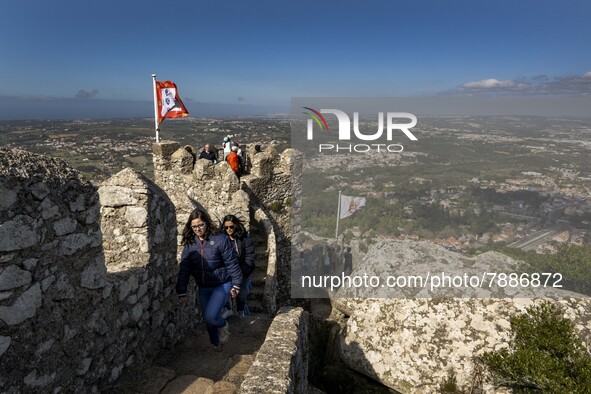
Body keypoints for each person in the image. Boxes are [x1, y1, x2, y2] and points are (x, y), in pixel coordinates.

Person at [176, 209, 242, 352]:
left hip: (222, 284)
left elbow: (232, 263)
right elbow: (184, 269)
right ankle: (215, 344)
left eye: (200, 225)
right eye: (194, 227)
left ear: (206, 222)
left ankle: (223, 324)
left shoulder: (220, 240)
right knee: (208, 320)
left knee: (211, 316)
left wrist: (236, 284)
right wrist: (181, 291)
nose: (198, 229)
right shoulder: (189, 244)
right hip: (204, 287)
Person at [221, 215, 255, 331]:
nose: (229, 230)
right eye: (226, 228)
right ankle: (228, 310)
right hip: (227, 272)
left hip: (243, 272)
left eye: (231, 227)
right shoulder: (222, 239)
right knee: (225, 291)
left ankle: (240, 311)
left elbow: (249, 258)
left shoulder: (245, 239)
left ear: (236, 226)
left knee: (242, 293)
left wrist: (241, 274)